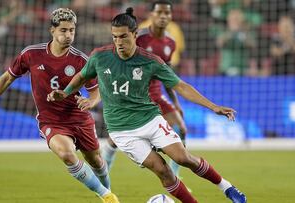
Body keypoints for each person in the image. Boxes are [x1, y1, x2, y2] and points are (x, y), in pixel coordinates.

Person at [48, 7, 247, 203]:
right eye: (115, 37)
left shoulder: (150, 61)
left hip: (150, 120)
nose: (118, 42)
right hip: (122, 131)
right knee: (163, 170)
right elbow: (81, 77)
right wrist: (65, 93)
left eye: (124, 37)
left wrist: (213, 107)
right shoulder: (100, 56)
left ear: (135, 35)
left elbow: (182, 86)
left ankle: (227, 187)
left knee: (183, 158)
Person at [0, 8, 119, 203]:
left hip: (78, 118)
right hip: (51, 121)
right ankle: (106, 196)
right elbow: (7, 78)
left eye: (72, 30)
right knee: (67, 154)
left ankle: (107, 191)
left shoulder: (81, 60)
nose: (68, 35)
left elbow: (96, 89)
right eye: (63, 30)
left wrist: (91, 101)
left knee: (96, 161)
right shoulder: (32, 54)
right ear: (52, 31)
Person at [101, 0, 188, 181]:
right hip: (135, 94)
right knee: (116, 138)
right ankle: (103, 171)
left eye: (167, 13)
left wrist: (176, 103)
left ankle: (176, 176)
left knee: (181, 128)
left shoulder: (170, 43)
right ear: (151, 15)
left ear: (171, 16)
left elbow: (168, 75)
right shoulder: (138, 36)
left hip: (156, 93)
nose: (163, 17)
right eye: (159, 13)